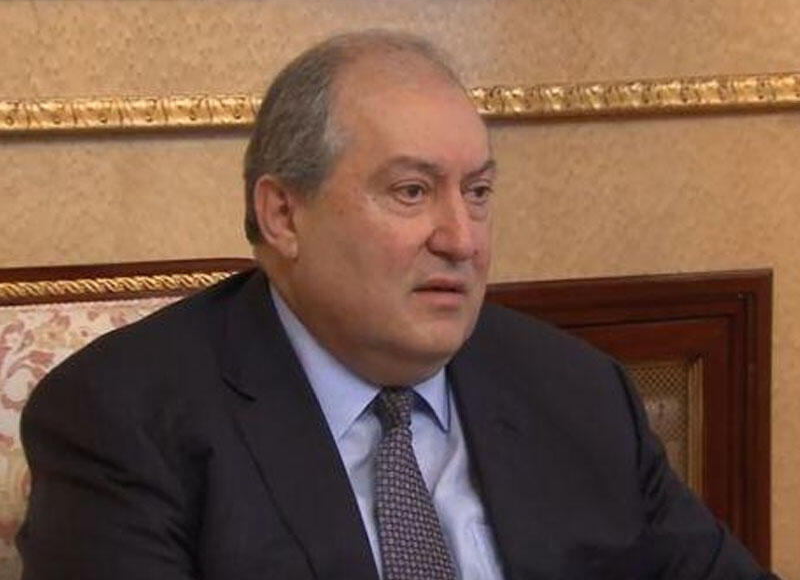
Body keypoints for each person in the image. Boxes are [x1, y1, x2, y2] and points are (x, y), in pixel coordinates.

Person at [17, 31, 775, 580]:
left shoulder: (575, 391)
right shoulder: (123, 419)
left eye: (478, 193)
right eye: (411, 192)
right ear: (283, 215)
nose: (462, 239)